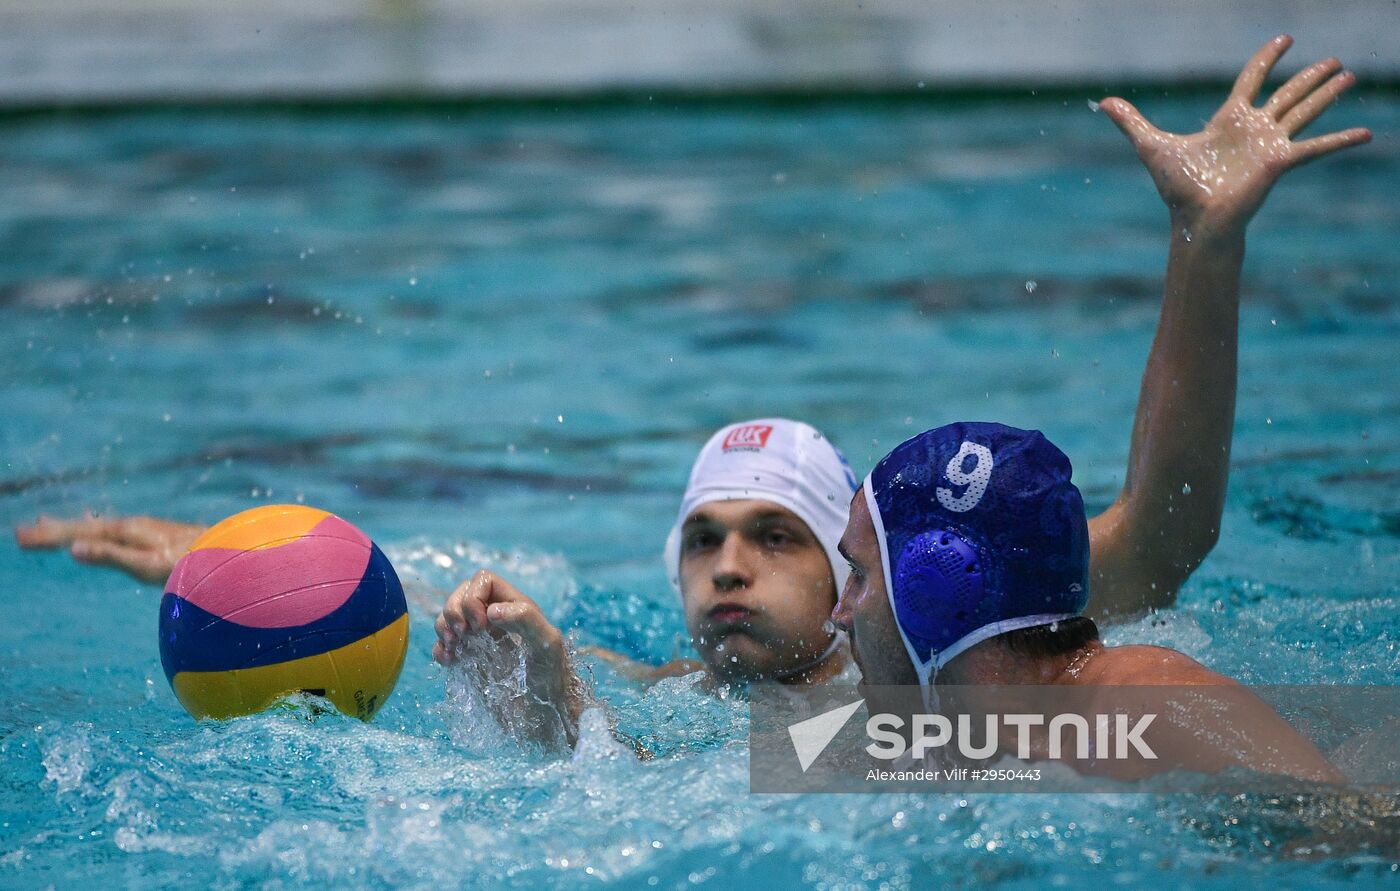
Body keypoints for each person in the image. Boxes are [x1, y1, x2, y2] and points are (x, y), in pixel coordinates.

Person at [15, 38, 1368, 748]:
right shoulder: (677, 689)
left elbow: (1172, 523)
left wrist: (1205, 247)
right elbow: (437, 622)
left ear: (863, 571)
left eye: (775, 534)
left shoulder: (969, 647)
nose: (729, 562)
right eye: (704, 535)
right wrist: (232, 570)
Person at [832, 420, 1343, 783]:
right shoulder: (958, 737)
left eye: (858, 575)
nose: (841, 612)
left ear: (936, 588)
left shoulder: (1152, 706)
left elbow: (1350, 830)